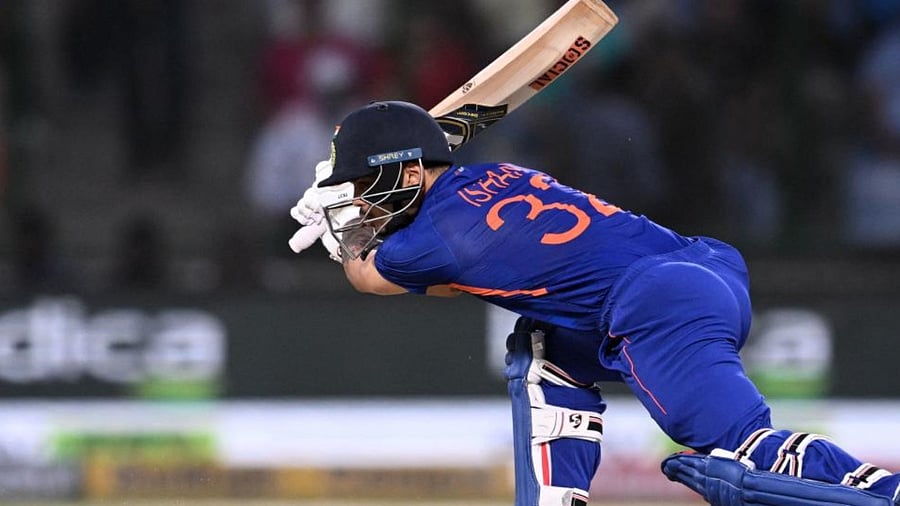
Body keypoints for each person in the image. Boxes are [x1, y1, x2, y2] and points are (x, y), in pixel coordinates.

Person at [288, 100, 900, 506]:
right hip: (698, 269)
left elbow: (369, 276)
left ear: (410, 173)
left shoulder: (430, 242)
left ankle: (880, 492)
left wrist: (340, 232)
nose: (361, 202)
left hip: (655, 304)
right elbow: (468, 277)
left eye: (366, 187)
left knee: (736, 452)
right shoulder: (493, 175)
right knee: (542, 352)